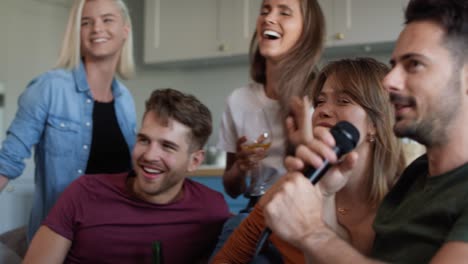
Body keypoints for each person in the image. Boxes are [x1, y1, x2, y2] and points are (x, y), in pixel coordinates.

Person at [260, 0, 468, 263]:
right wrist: (321, 195)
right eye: (393, 66)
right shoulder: (415, 179)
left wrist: (312, 234)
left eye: (414, 64)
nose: (389, 80)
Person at [211, 57, 406, 263]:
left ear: (376, 123)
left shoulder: (408, 202)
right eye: (320, 101)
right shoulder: (291, 191)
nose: (323, 110)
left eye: (344, 101)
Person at [22, 88, 231, 263]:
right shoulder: (83, 193)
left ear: (194, 161)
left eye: (167, 146)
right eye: (144, 140)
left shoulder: (211, 209)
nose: (149, 155)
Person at [0, 0, 137, 242]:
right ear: (77, 33)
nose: (96, 28)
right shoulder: (49, 87)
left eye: (107, 19)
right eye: (86, 22)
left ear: (125, 30)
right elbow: (6, 163)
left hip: (116, 237)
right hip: (62, 241)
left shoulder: (125, 100)